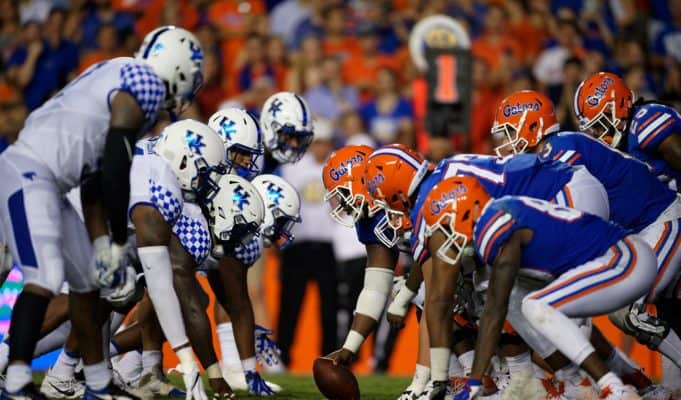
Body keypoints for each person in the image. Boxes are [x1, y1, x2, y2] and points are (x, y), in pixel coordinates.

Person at [0, 24, 203, 400]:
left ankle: (95, 383)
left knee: (89, 283)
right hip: (30, 171)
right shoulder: (145, 83)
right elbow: (113, 168)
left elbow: (93, 176)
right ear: (177, 69)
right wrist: (120, 239)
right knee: (45, 275)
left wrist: (102, 244)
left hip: (54, 180)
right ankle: (13, 381)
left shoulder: (122, 80)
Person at [494, 89, 681, 377]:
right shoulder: (550, 155)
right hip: (641, 235)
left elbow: (571, 214)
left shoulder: (560, 148)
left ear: (532, 127)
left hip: (664, 219)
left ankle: (627, 381)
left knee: (627, 308)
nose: (505, 143)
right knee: (641, 310)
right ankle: (658, 383)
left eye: (508, 132)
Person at [427, 177, 655, 400]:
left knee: (536, 305)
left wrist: (474, 381)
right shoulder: (501, 210)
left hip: (623, 259)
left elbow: (495, 311)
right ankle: (635, 384)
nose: (445, 234)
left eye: (447, 224)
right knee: (543, 308)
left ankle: (612, 389)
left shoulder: (493, 227)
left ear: (469, 210)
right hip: (617, 258)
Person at [574, 71, 681, 188]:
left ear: (619, 105)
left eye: (600, 124)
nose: (599, 133)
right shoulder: (622, 142)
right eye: (594, 128)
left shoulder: (644, 118)